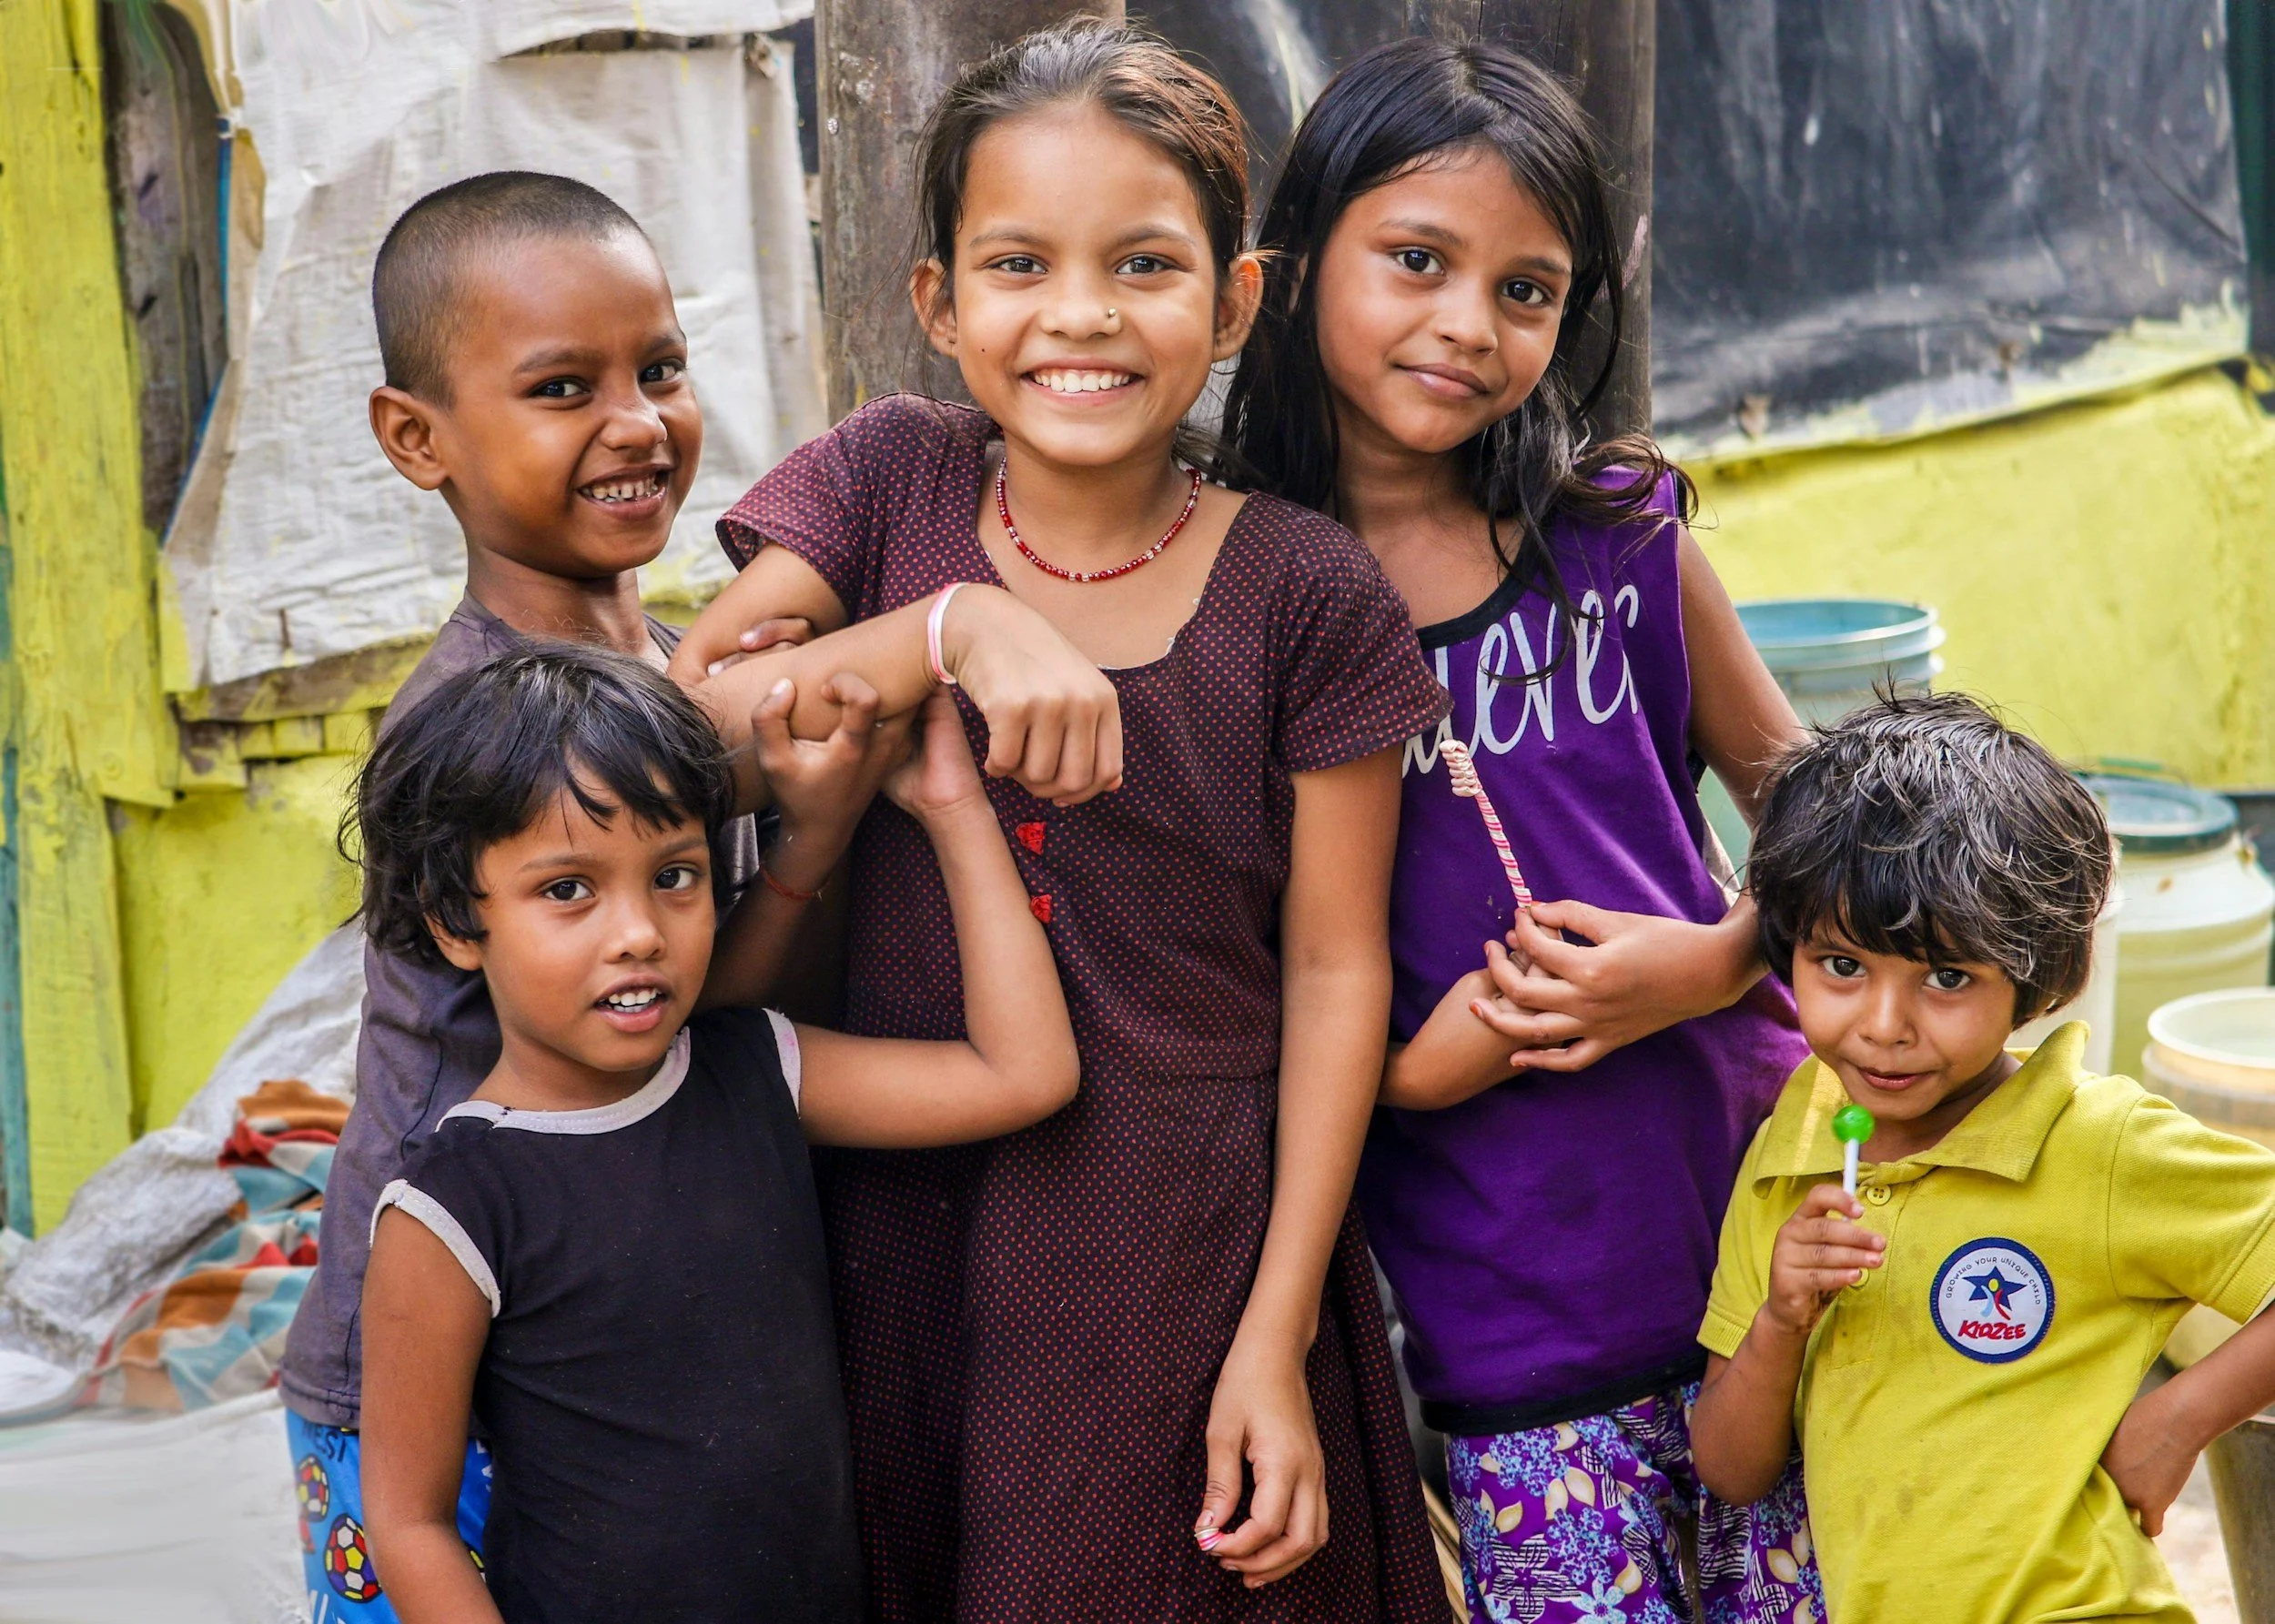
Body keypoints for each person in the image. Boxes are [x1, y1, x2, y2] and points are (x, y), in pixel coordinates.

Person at [667, 21, 1452, 1621]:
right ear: (941, 303)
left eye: (1145, 265)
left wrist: (1279, 1333)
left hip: (1175, 1251)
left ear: (1235, 302)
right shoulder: (886, 487)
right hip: (895, 1231)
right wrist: (947, 629)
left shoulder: (1306, 595)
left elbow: (1333, 978)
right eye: (1019, 263)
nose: (1080, 314)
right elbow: (687, 734)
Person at [280, 170, 1117, 1622]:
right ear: (415, 437)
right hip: (436, 1348)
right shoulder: (484, 719)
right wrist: (963, 619)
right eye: (561, 386)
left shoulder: (670, 664)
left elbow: (719, 1014)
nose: (637, 421)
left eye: (660, 369)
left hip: (633, 1320)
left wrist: (815, 836)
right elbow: (709, 723)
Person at [1219, 37, 1820, 1624]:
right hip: (1513, 1317)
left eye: (1526, 290)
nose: (1466, 326)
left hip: (1766, 1251)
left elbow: (1833, 820)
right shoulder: (1238, 598)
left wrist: (1707, 964)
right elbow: (1232, 975)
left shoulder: (1618, 531)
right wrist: (1434, 1061)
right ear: (1294, 266)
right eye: (1415, 261)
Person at [352, 647, 1077, 1623]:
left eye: (676, 875)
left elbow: (1024, 1074)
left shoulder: (753, 1070)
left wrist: (954, 813)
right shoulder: (451, 1210)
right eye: (567, 889)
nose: (640, 933)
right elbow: (410, 1524)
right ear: (454, 920)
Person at [1690, 692, 2275, 1622]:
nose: (1883, 1028)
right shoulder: (1793, 1152)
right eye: (1840, 966)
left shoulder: (2097, 1144)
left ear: (2035, 980)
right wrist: (1779, 1321)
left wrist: (2180, 1417)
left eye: (1947, 978)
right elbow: (1728, 1467)